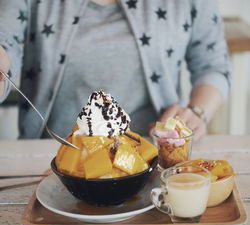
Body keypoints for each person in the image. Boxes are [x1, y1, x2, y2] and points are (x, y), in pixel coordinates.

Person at [0, 0, 231, 141]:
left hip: (155, 160)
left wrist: (197, 112)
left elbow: (213, 65)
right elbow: (5, 40)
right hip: (51, 160)